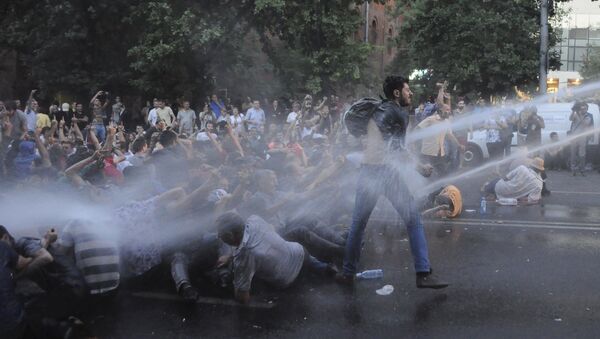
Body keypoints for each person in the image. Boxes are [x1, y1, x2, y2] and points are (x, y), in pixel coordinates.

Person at [336, 75, 448, 289]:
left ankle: (347, 273)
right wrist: (420, 168)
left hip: (368, 171)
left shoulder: (377, 110)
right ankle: (423, 273)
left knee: (358, 225)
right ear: (397, 93)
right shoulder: (397, 112)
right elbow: (396, 148)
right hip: (385, 174)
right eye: (407, 90)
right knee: (413, 220)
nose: (411, 93)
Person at [216, 212, 334, 304]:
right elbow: (266, 234)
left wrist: (236, 283)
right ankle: (326, 269)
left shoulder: (243, 258)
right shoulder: (254, 220)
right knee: (281, 252)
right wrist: (230, 256)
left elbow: (243, 298)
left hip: (290, 280)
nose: (219, 236)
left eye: (220, 234)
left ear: (229, 235)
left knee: (249, 277)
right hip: (302, 254)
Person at [569, 102, 594, 176]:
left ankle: (582, 170)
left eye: (584, 108)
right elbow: (570, 119)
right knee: (573, 153)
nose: (583, 110)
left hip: (582, 137)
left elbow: (585, 124)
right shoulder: (576, 113)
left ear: (587, 109)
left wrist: (579, 115)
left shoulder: (588, 116)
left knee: (582, 154)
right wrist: (573, 111)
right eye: (581, 108)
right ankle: (573, 170)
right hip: (574, 136)